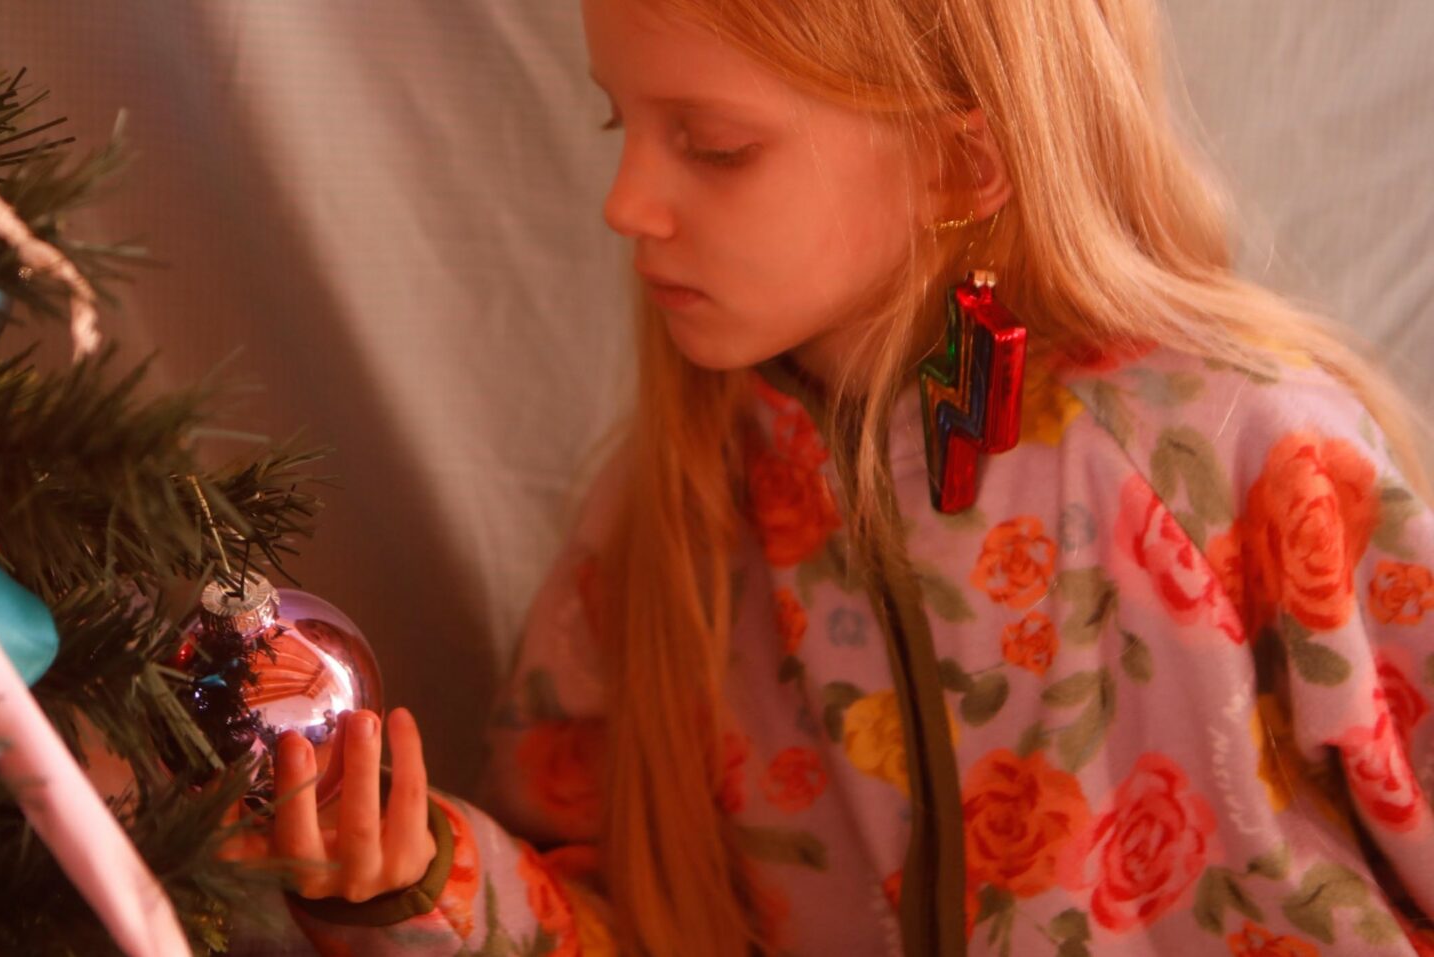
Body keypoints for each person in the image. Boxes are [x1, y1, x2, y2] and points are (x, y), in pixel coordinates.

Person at [235, 0, 1434, 952]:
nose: (626, 203)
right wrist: (416, 880)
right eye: (618, 126)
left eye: (714, 146)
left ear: (962, 161)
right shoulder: (670, 523)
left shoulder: (1243, 455)